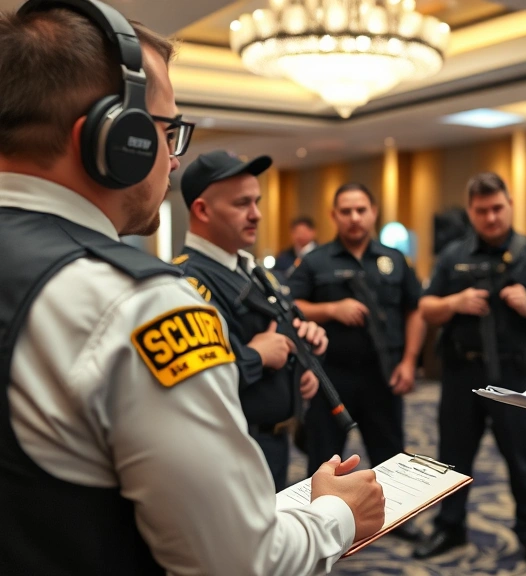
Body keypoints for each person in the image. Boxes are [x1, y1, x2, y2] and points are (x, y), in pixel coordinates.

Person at [0, 2, 384, 574]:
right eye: (167, 132)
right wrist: (338, 514)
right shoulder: (139, 303)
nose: (174, 162)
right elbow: (239, 561)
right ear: (115, 138)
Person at [414, 172, 526, 568]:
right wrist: (455, 302)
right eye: (482, 210)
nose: (491, 217)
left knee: (521, 459)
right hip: (461, 375)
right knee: (452, 458)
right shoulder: (453, 255)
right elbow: (426, 308)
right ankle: (449, 526)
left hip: (514, 377)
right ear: (470, 211)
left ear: (510, 205)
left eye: (497, 208)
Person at [175, 150, 325, 491]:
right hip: (230, 448)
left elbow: (284, 330)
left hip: (274, 441)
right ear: (202, 210)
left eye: (256, 202)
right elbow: (199, 378)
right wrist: (256, 355)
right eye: (242, 204)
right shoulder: (186, 280)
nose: (256, 214)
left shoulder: (252, 270)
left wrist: (306, 357)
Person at [288, 182, 426, 540]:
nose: (354, 217)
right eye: (346, 211)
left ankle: (396, 520)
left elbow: (415, 310)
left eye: (361, 210)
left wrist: (410, 361)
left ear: (373, 212)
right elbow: (291, 306)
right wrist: (331, 309)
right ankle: (318, 527)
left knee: (391, 454)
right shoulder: (316, 261)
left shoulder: (394, 260)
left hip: (383, 375)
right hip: (330, 379)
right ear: (334, 215)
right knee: (324, 456)